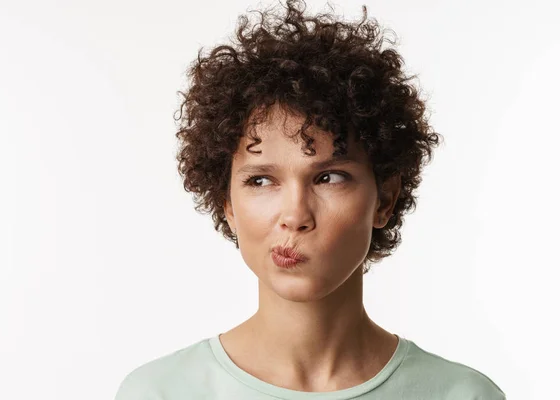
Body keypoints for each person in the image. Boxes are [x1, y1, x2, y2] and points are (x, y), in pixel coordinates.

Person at [114, 0, 505, 398]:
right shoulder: (159, 391)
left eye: (329, 177)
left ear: (385, 198)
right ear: (226, 202)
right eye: (262, 180)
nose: (295, 215)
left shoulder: (461, 394)